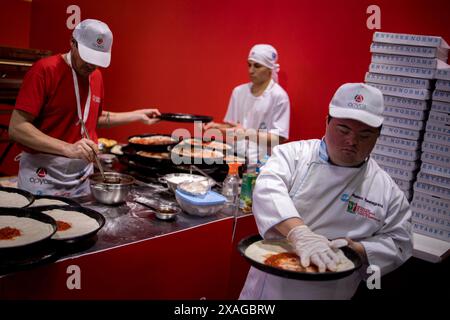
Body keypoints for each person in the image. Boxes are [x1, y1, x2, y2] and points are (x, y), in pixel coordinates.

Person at [239, 83, 412, 300]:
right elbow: (267, 190)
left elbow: (401, 241)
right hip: (272, 289)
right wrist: (300, 234)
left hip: (333, 292)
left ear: (378, 135)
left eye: (365, 134)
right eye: (343, 130)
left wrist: (356, 248)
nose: (352, 141)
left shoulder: (386, 190)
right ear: (327, 122)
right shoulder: (292, 155)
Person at [8, 19, 160, 196]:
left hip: (81, 177)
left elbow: (94, 119)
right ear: (72, 43)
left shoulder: (95, 76)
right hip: (43, 174)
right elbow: (17, 128)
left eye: (97, 60)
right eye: (88, 57)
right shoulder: (44, 70)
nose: (91, 65)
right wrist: (68, 148)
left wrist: (137, 115)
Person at [204, 44, 290, 164]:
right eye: (249, 65)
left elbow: (278, 137)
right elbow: (235, 127)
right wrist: (217, 126)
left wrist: (247, 133)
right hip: (234, 158)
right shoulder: (238, 92)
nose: (251, 70)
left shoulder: (279, 96)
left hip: (262, 163)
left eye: (257, 66)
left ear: (270, 69)